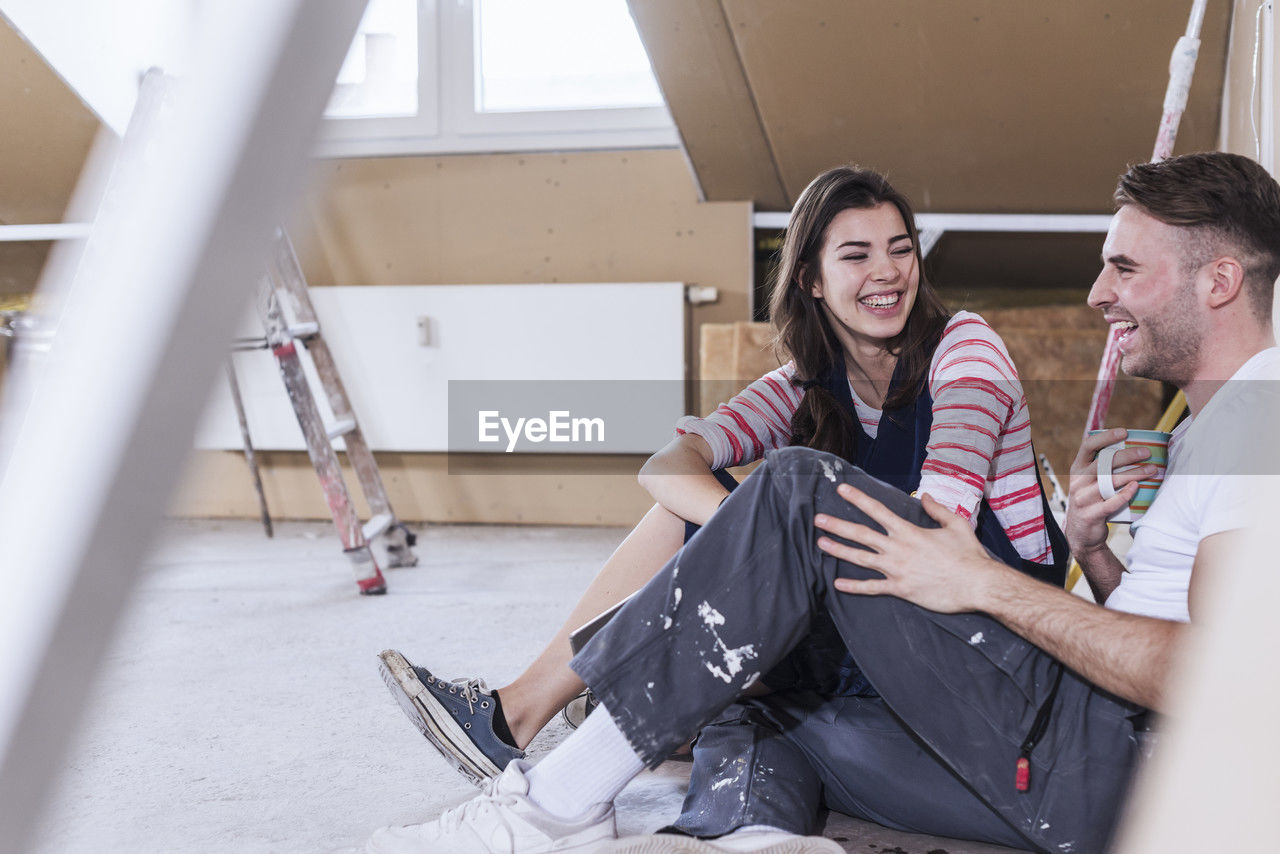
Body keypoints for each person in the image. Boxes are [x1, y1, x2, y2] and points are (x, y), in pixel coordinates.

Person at [365, 149, 1280, 854]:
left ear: (1220, 281)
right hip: (1080, 766)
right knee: (754, 703)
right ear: (813, 278)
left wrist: (985, 584)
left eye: (1124, 269)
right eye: (855, 255)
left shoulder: (1255, 418)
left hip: (1113, 767)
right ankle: (751, 834)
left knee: (793, 490)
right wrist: (1100, 553)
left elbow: (1220, 680)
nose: (1096, 293)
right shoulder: (1223, 421)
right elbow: (1178, 627)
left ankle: (549, 803)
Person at [377, 166, 1066, 786]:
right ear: (812, 280)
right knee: (699, 516)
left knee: (775, 522)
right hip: (880, 618)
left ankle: (641, 691)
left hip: (983, 633)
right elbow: (667, 467)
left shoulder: (966, 347)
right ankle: (520, 714)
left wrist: (778, 537)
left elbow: (939, 528)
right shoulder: (805, 384)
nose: (887, 272)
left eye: (901, 249)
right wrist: (754, 526)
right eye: (856, 255)